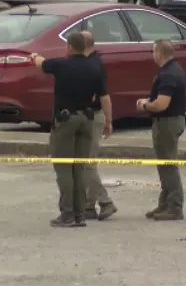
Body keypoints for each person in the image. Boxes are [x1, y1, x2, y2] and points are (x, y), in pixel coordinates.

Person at [29, 31, 112, 228]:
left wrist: (34, 57)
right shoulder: (95, 68)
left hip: (66, 121)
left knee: (64, 168)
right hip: (87, 119)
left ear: (69, 47)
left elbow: (41, 63)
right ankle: (80, 214)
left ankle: (67, 214)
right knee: (80, 167)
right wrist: (108, 121)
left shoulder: (61, 64)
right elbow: (103, 95)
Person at [136, 39, 186, 221]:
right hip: (169, 121)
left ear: (159, 53)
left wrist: (145, 105)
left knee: (168, 165)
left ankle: (174, 207)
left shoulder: (169, 74)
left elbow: (161, 104)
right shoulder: (172, 70)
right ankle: (164, 204)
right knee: (164, 165)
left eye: (153, 51)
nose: (152, 55)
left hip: (167, 122)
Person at [80, 30, 117, 221]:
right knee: (87, 161)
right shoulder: (93, 62)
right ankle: (88, 206)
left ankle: (105, 201)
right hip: (92, 116)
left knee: (87, 163)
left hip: (93, 117)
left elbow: (105, 97)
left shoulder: (93, 65)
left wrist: (108, 121)